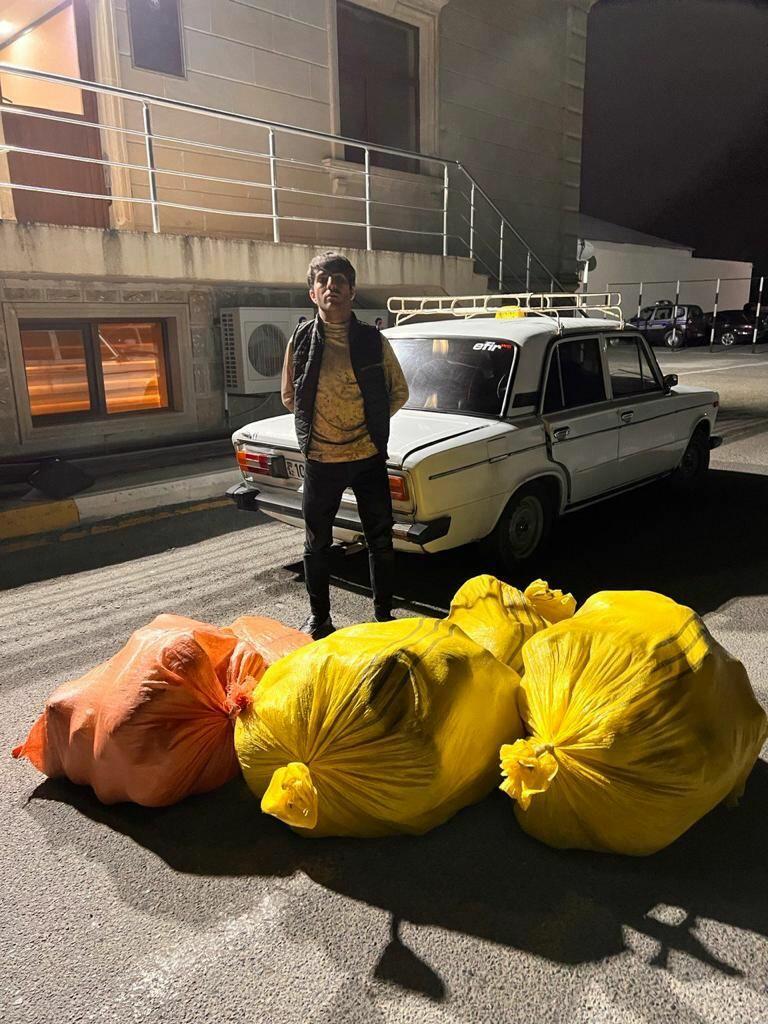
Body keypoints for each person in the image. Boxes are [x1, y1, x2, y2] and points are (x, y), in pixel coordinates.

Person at [281, 252, 409, 640]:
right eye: (323, 281)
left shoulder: (372, 340)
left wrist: (368, 425)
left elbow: (399, 391)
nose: (331, 286)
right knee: (316, 544)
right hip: (322, 459)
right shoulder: (300, 340)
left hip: (367, 456)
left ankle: (383, 615)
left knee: (380, 540)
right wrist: (323, 427)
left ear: (352, 291)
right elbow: (290, 396)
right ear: (312, 293)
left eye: (339, 280)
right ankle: (319, 619)